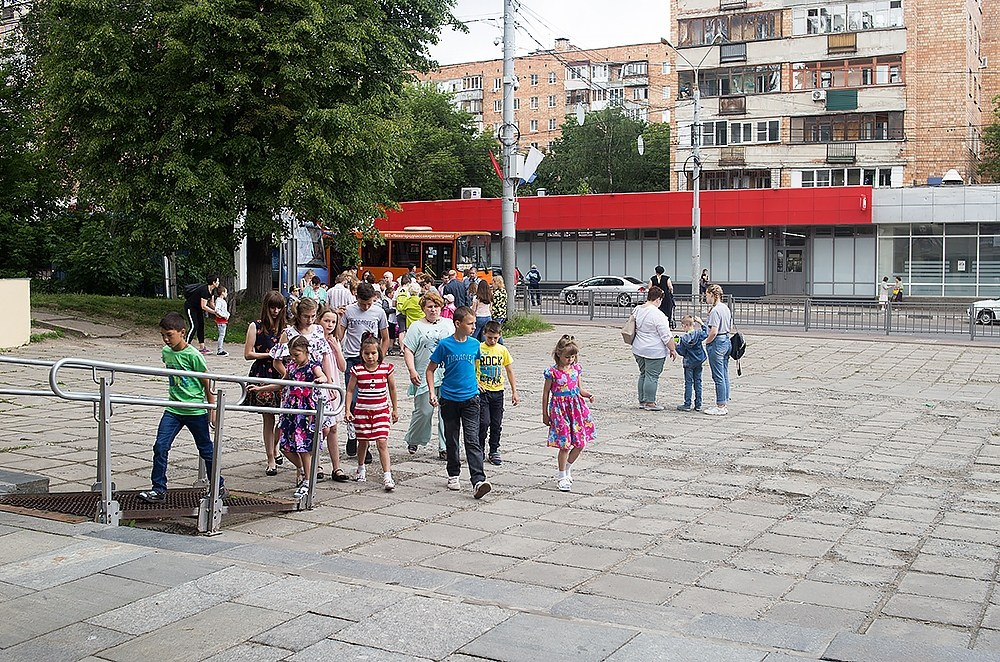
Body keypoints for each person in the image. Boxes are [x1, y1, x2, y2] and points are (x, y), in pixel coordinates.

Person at [138, 313, 225, 503]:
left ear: (182, 332)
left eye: (169, 335)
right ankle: (158, 488)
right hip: (174, 409)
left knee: (206, 450)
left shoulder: (193, 355)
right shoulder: (166, 352)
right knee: (160, 446)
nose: (166, 339)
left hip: (194, 410)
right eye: (163, 335)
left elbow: (206, 380)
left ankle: (218, 485)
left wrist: (212, 408)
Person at [426, 306, 492, 499]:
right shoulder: (445, 345)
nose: (474, 326)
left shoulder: (474, 344)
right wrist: (432, 392)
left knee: (472, 440)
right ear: (457, 324)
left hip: (471, 399)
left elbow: (474, 364)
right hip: (449, 399)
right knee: (452, 439)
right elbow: (430, 370)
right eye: (470, 323)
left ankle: (478, 480)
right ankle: (453, 473)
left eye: (473, 323)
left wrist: (477, 381)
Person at [250, 335, 327, 498]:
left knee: (304, 448)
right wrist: (261, 389)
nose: (293, 358)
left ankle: (307, 480)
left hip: (305, 412)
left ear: (306, 351)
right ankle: (303, 469)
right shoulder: (291, 367)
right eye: (291, 355)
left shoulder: (312, 366)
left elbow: (323, 376)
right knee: (285, 446)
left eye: (297, 354)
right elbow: (282, 383)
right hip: (290, 411)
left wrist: (320, 379)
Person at [269, 297, 334, 479]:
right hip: (297, 390)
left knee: (324, 427)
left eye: (313, 316)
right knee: (296, 429)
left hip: (316, 385)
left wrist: (328, 384)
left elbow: (324, 357)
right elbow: (277, 361)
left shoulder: (319, 330)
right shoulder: (288, 333)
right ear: (298, 315)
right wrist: (292, 376)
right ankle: (303, 470)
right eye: (307, 316)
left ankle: (312, 464)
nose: (310, 320)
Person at [337, 282, 390, 462]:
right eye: (362, 303)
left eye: (369, 303)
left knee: (369, 401)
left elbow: (385, 337)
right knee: (354, 401)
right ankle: (354, 436)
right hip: (353, 357)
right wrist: (338, 318)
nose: (366, 307)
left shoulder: (378, 312)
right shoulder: (350, 311)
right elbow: (339, 335)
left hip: (372, 359)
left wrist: (379, 357)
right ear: (356, 297)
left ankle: (364, 441)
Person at [542, 334, 595, 492]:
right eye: (567, 357)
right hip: (560, 411)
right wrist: (545, 413)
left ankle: (568, 468)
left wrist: (588, 395)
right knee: (565, 445)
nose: (571, 359)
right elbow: (546, 394)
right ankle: (561, 476)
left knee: (580, 443)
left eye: (573, 356)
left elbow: (578, 388)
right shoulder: (552, 373)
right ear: (559, 354)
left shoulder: (576, 370)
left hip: (577, 410)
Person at [403, 292, 454, 459]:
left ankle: (445, 446)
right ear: (424, 309)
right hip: (424, 373)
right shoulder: (416, 326)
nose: (433, 310)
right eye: (430, 307)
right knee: (424, 411)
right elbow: (408, 349)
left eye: (436, 306)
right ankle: (414, 438)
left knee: (446, 413)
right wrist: (412, 370)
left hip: (446, 374)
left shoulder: (449, 324)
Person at [346, 332, 399, 489]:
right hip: (362, 412)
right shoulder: (357, 371)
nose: (370, 357)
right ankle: (361, 467)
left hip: (380, 411)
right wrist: (348, 410)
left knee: (382, 442)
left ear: (379, 353)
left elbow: (392, 389)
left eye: (373, 353)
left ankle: (387, 475)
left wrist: (395, 409)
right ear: (361, 354)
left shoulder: (386, 369)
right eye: (367, 353)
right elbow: (349, 390)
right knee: (363, 442)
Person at [243, 291, 286, 475]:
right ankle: (270, 458)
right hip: (263, 372)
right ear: (266, 307)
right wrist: (270, 355)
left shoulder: (285, 328)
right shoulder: (256, 326)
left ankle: (274, 447)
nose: (275, 311)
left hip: (281, 372)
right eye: (272, 306)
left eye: (278, 307)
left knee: (285, 417)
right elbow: (248, 353)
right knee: (268, 417)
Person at [477, 320, 519, 466]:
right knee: (483, 422)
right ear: (484, 335)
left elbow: (509, 370)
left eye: (495, 338)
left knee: (496, 423)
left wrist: (514, 391)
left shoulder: (502, 350)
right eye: (489, 337)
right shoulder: (479, 348)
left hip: (498, 391)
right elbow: (470, 367)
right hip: (483, 391)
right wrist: (476, 383)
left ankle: (494, 449)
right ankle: (480, 448)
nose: (492, 341)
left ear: (499, 336)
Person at [631, 286, 678, 411]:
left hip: (638, 348)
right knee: (652, 376)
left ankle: (642, 400)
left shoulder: (638, 309)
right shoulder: (658, 315)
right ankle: (650, 402)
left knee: (643, 374)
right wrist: (672, 349)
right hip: (654, 350)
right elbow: (666, 336)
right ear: (658, 299)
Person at [318, 307, 350, 481]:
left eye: (333, 322)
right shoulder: (315, 339)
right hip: (322, 384)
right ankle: (317, 463)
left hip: (334, 385)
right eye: (326, 321)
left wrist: (337, 348)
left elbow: (343, 367)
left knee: (334, 428)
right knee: (322, 427)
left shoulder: (335, 340)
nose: (329, 325)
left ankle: (336, 467)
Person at [704, 283, 733, 416]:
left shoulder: (715, 310)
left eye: (707, 295)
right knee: (724, 372)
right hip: (726, 340)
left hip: (717, 342)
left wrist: (706, 342)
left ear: (712, 295)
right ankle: (724, 402)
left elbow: (713, 331)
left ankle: (720, 405)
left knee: (718, 375)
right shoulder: (725, 308)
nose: (706, 298)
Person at [675, 315, 708, 412]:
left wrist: (676, 345)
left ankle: (687, 404)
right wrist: (701, 323)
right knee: (698, 382)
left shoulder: (683, 339)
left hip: (689, 363)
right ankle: (698, 404)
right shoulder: (698, 334)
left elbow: (682, 352)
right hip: (698, 361)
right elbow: (706, 333)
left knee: (688, 383)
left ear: (685, 326)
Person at [183, 274, 219, 354]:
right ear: (214, 282)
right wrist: (214, 312)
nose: (218, 282)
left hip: (198, 309)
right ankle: (185, 346)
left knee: (201, 326)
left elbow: (211, 303)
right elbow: (204, 306)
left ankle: (202, 348)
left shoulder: (212, 290)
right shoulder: (204, 290)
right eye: (217, 281)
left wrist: (218, 310)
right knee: (194, 326)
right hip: (191, 307)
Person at [213, 285, 231, 356]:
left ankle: (220, 349)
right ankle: (220, 350)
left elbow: (224, 310)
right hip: (221, 321)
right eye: (226, 292)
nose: (227, 293)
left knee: (222, 334)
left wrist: (227, 315)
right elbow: (217, 310)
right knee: (221, 335)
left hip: (223, 320)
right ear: (222, 293)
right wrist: (223, 316)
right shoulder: (219, 301)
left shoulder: (222, 301)